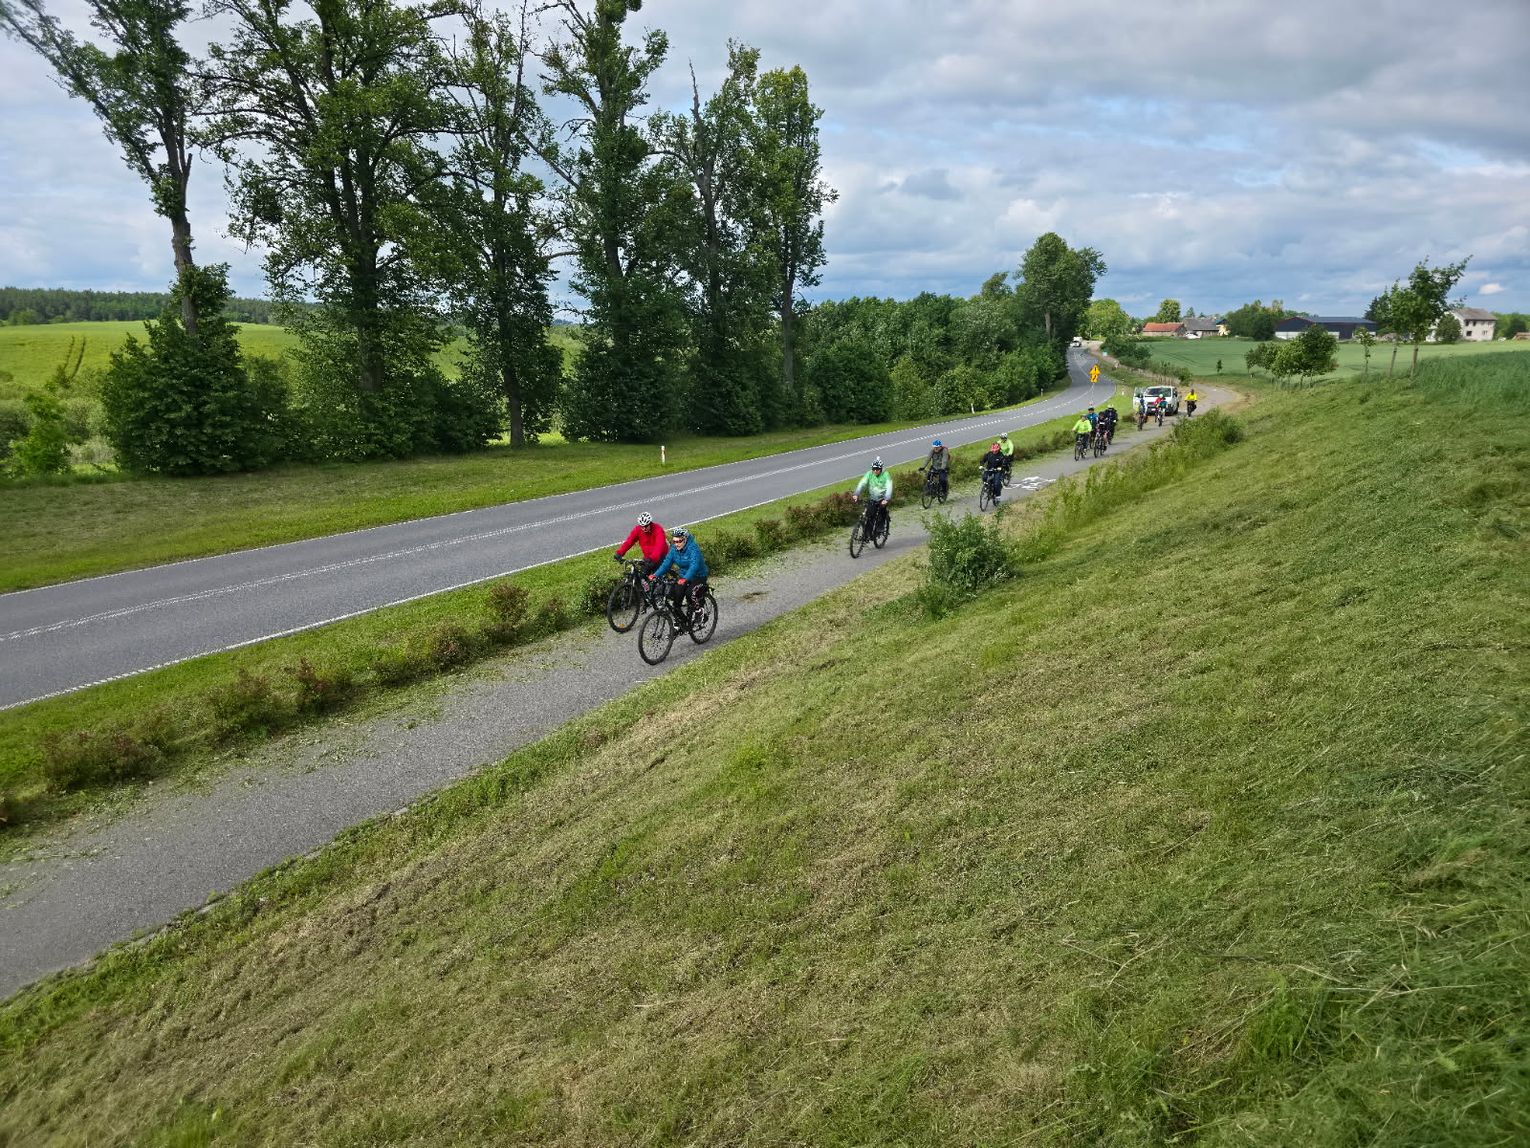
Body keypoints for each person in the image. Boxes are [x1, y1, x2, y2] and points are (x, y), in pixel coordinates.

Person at [649, 526, 709, 630]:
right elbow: (666, 564)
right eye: (674, 541)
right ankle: (682, 622)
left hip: (698, 576)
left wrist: (685, 578)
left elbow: (694, 566)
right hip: (683, 576)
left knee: (690, 593)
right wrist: (655, 574)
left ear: (685, 539)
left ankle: (699, 612)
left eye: (679, 541)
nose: (676, 544)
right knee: (676, 599)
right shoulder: (674, 550)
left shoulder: (693, 548)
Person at [852, 456, 894, 538]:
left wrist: (886, 499)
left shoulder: (886, 475)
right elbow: (862, 483)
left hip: (883, 498)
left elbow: (889, 487)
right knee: (869, 514)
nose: (875, 471)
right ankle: (867, 534)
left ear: (881, 469)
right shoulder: (869, 474)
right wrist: (856, 494)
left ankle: (881, 528)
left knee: (882, 511)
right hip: (873, 497)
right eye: (874, 469)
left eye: (877, 469)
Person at [614, 511, 668, 576]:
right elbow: (629, 542)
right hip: (648, 557)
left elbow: (659, 546)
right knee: (642, 574)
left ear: (650, 523)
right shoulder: (637, 530)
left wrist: (652, 558)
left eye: (646, 526)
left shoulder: (658, 529)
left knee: (655, 576)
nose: (644, 528)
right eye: (642, 526)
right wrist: (620, 553)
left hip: (660, 555)